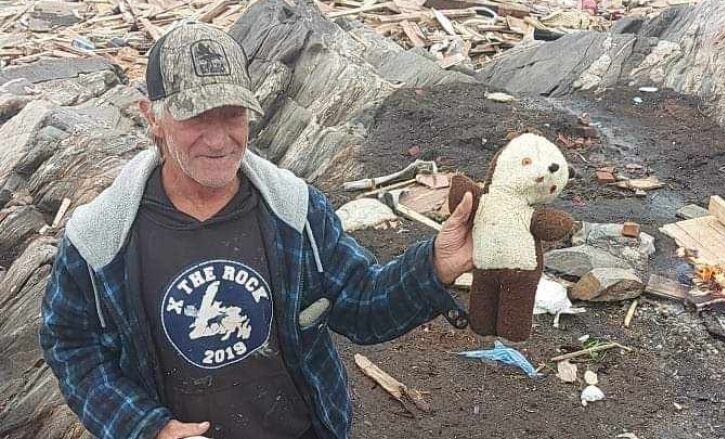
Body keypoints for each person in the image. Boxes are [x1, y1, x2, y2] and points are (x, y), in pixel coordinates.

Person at [39, 22, 474, 439]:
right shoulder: (99, 240)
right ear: (152, 117)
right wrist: (146, 427)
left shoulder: (294, 212)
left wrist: (435, 263)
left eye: (233, 115)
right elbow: (72, 348)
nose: (218, 139)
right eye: (196, 117)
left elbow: (362, 305)